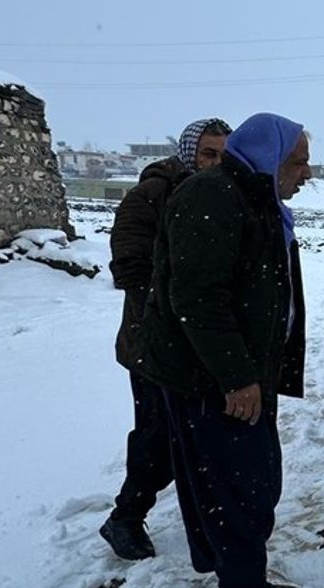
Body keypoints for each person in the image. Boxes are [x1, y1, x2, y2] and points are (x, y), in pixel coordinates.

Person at [136, 112, 315, 588]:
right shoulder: (213, 198)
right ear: (269, 157)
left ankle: (243, 585)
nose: (306, 174)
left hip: (238, 374)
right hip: (213, 381)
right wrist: (237, 378)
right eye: (299, 162)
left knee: (251, 484)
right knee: (237, 490)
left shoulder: (254, 200)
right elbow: (198, 299)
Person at [100, 117, 232, 561]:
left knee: (194, 435)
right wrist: (179, 303)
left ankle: (206, 514)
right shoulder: (150, 196)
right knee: (158, 435)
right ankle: (125, 517)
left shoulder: (217, 195)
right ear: (188, 152)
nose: (215, 163)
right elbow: (131, 269)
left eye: (222, 155)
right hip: (152, 345)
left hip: (194, 343)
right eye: (208, 153)